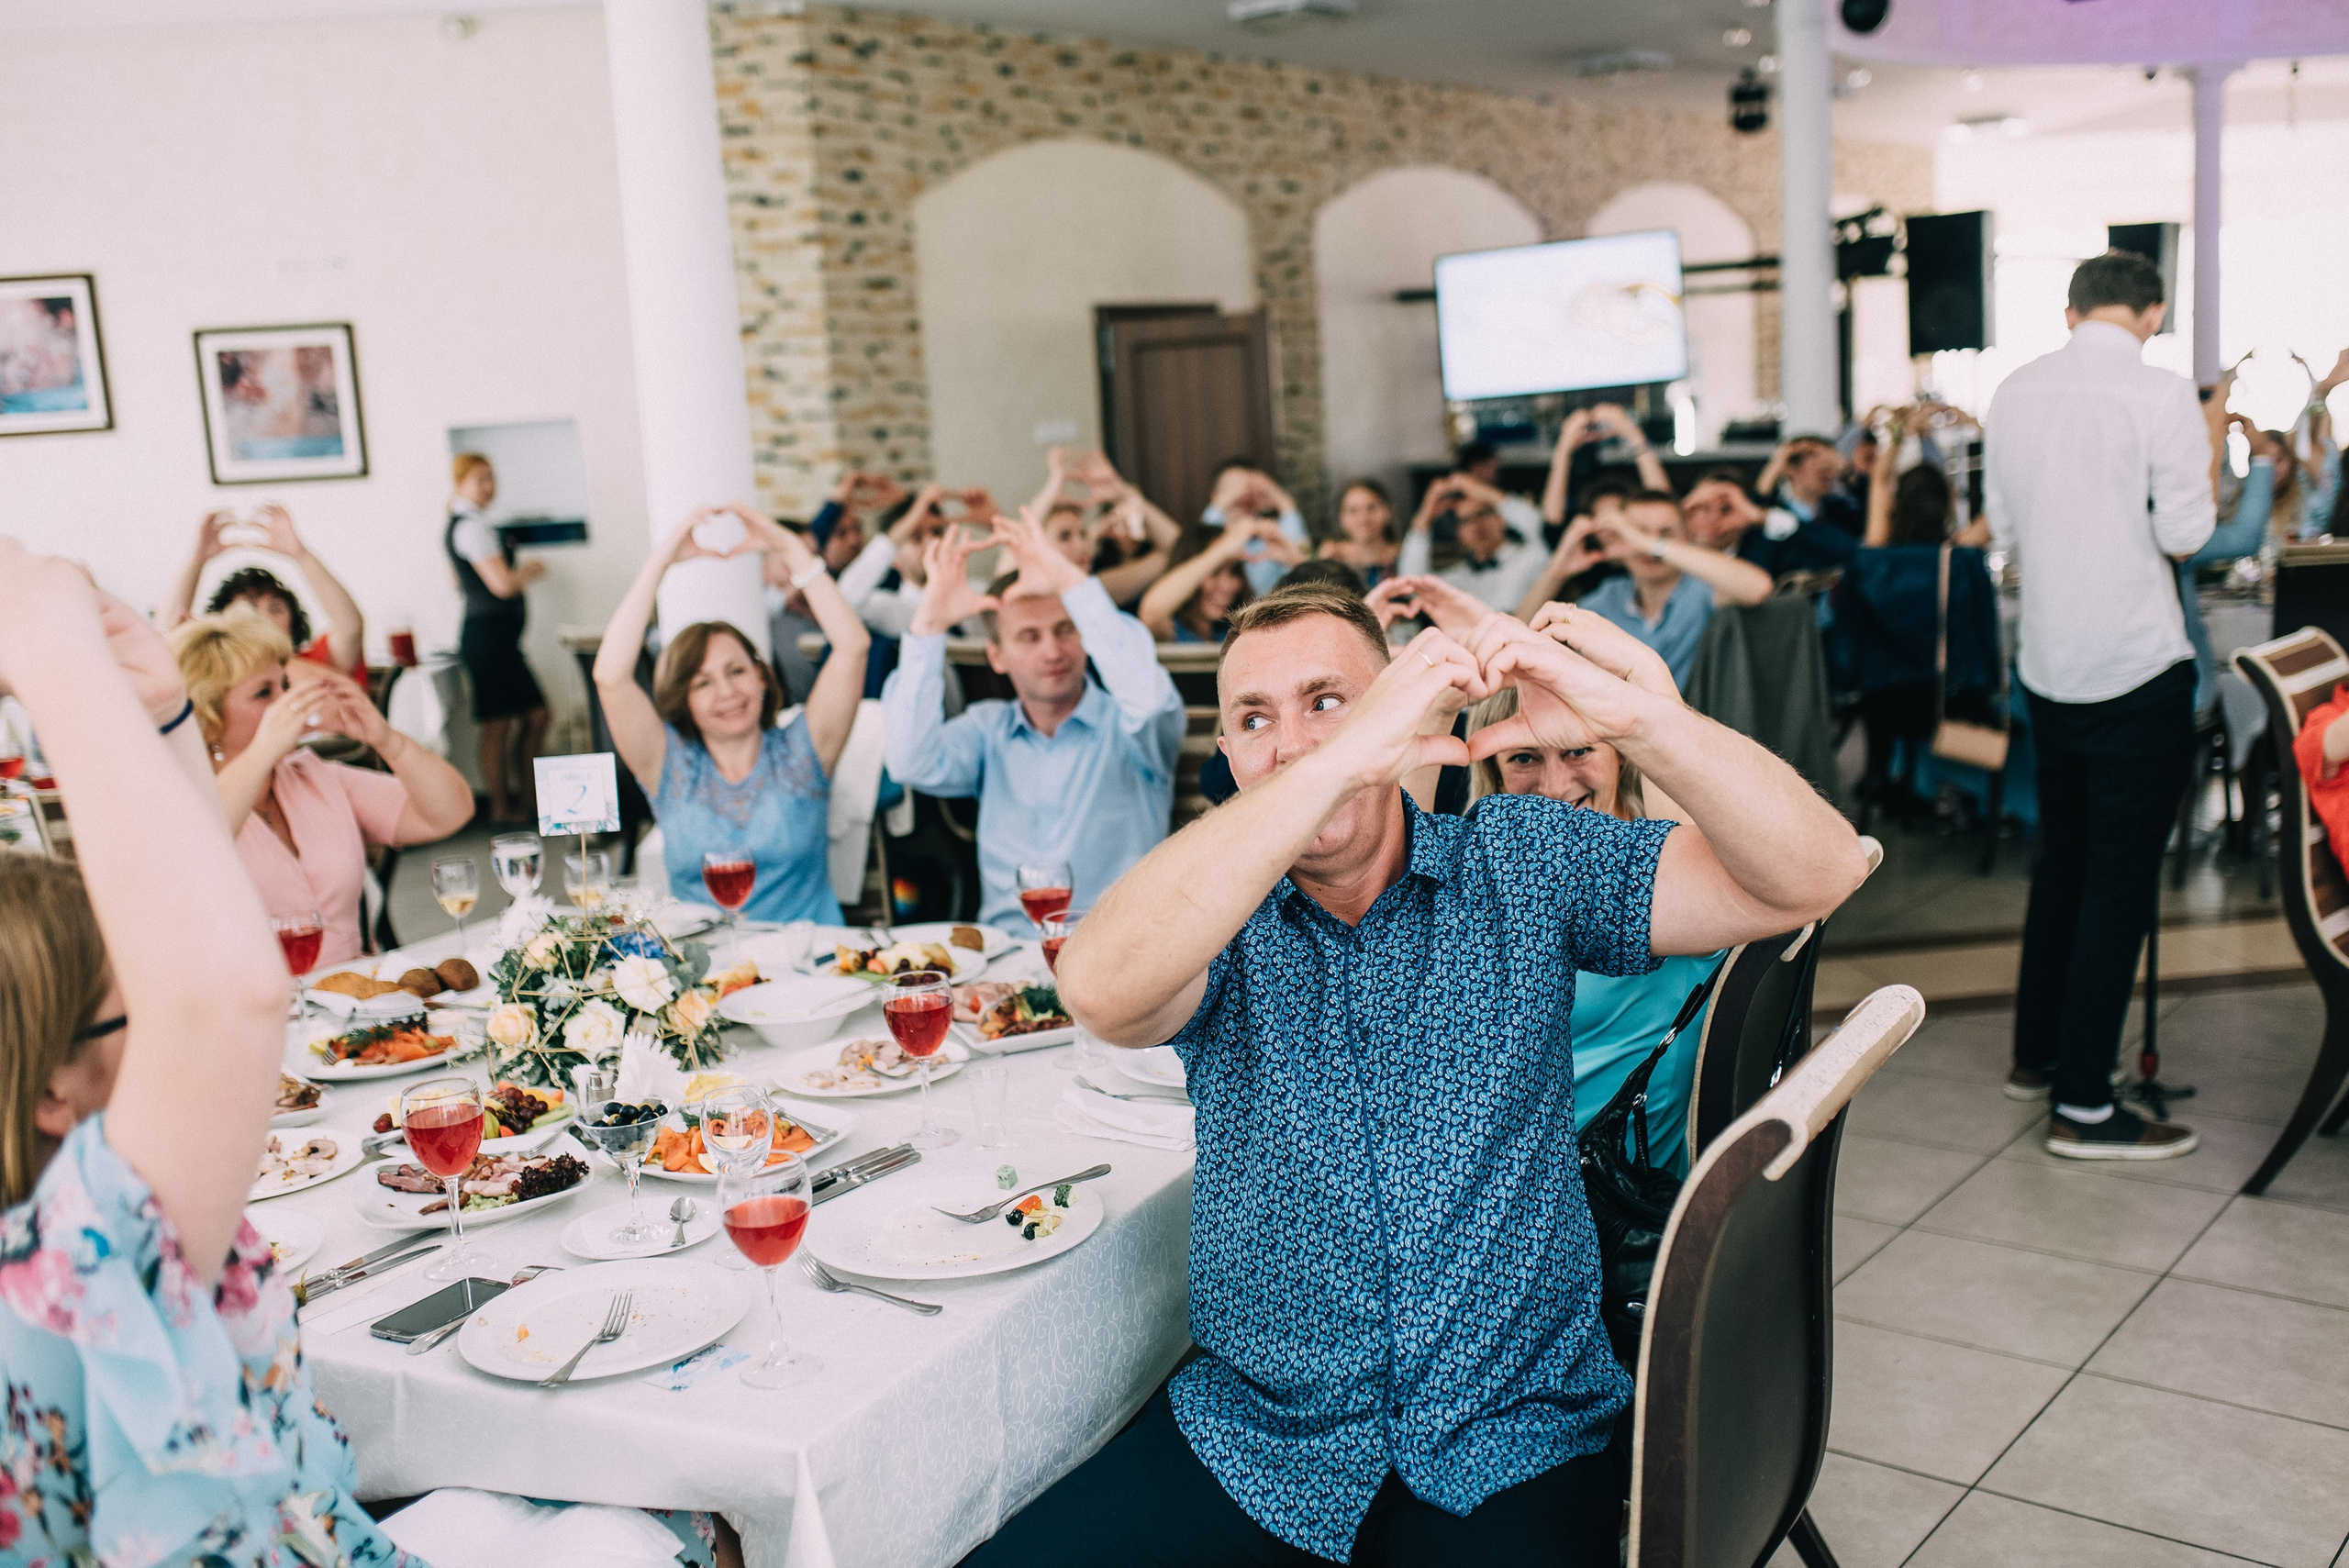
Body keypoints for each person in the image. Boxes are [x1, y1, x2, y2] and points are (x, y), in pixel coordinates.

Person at [980, 584, 1865, 1567]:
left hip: (1514, 1433)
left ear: (1406, 717)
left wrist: (1629, 715)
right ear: (1228, 757)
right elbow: (1098, 992)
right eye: (1253, 719)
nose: (1295, 740)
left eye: (1330, 702)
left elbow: (1817, 869)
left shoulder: (1519, 858)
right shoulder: (1213, 912)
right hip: (1265, 1439)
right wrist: (1333, 765)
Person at [0, 540, 416, 1562]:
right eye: (135, 1003)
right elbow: (226, 993)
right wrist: (49, 649)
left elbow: (206, 913)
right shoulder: (70, 1257)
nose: (162, 1018)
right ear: (53, 1084)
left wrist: (165, 717)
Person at [1988, 249, 2215, 1159]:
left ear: (2071, 308)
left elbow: (2002, 536)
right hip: (2132, 664)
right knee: (2119, 881)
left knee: (2063, 862)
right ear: (2150, 312)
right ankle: (2084, 1104)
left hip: (2047, 663)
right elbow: (2187, 532)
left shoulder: (2011, 390)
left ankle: (2037, 1055)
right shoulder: (2161, 395)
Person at [1462, 616, 1719, 1177]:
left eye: (1578, 751)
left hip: (1571, 1190)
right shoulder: (1488, 869)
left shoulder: (1663, 876)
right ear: (1493, 772)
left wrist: (1646, 677)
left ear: (1623, 751)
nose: (1556, 788)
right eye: (1524, 758)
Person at [882, 510, 1185, 933]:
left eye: (1066, 629)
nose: (1053, 651)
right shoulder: (987, 729)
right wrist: (929, 626)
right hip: (1007, 956)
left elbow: (1151, 702)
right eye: (1029, 636)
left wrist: (1072, 585)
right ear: (996, 657)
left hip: (1118, 954)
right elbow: (908, 762)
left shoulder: (1133, 727)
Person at [596, 505, 870, 926]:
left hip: (811, 968)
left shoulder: (805, 748)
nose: (727, 692)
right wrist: (660, 563)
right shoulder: (668, 763)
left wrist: (790, 549)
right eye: (702, 683)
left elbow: (852, 646)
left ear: (761, 677)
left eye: (737, 671)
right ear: (683, 699)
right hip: (708, 974)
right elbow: (611, 677)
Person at [171, 610, 475, 967]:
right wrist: (262, 750)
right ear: (209, 714)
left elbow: (450, 813)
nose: (288, 702)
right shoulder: (183, 799)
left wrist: (387, 741)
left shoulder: (314, 776)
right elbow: (200, 850)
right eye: (263, 693)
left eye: (285, 686)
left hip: (356, 995)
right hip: (255, 1014)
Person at [1574, 490, 1773, 691]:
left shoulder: (1701, 589)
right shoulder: (1610, 596)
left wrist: (1649, 543)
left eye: (1666, 533)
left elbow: (1758, 588)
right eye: (1639, 532)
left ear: (1686, 537)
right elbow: (1543, 634)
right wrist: (1557, 572)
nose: (1648, 549)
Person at [447, 451, 549, 826]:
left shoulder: (471, 524)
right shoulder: (470, 527)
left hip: (499, 641)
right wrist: (528, 572)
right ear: (460, 484)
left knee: (535, 716)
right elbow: (502, 585)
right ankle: (504, 809)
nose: (489, 486)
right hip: (489, 640)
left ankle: (525, 802)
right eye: (480, 479)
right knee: (500, 724)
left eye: (492, 478)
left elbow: (457, 580)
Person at [160, 504, 367, 679]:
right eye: (249, 607)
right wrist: (195, 562)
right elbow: (167, 632)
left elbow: (350, 627)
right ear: (222, 621)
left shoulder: (317, 664)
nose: (264, 616)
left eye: (276, 608)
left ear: (292, 624)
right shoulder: (213, 671)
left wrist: (301, 555)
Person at [1396, 471, 1550, 614]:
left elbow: (1543, 530)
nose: (1476, 526)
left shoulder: (1533, 557)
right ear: (1458, 533)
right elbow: (1412, 585)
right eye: (1465, 521)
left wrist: (1486, 492)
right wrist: (1425, 514)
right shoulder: (1454, 580)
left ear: (1501, 518)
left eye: (1482, 514)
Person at [1139, 519, 1300, 642]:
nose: (1227, 586)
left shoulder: (1235, 630)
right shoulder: (1173, 630)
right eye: (1214, 572)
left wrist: (1294, 559)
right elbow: (1152, 612)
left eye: (1234, 572)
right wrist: (1225, 547)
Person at [1682, 468, 1859, 578]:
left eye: (1727, 509)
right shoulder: (1673, 546)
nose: (1714, 517)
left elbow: (1847, 551)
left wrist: (1759, 516)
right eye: (1702, 508)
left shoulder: (1765, 550)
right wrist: (1681, 514)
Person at [1539, 405, 1671, 540]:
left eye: (1619, 517)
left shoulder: (1646, 548)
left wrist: (1632, 432)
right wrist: (1564, 448)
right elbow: (1553, 521)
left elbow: (1665, 508)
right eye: (1605, 519)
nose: (1613, 525)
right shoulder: (1590, 553)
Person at [1201, 461, 1313, 597]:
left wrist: (1279, 497)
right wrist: (1227, 499)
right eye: (1233, 487)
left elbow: (1305, 556)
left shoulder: (1271, 535)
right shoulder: (1211, 529)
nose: (1243, 494)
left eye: (1250, 488)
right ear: (1216, 496)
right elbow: (1202, 535)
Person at [1753, 431, 1865, 539]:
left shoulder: (1840, 512)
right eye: (1819, 469)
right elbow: (1757, 507)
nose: (1828, 472)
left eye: (1830, 466)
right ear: (1790, 468)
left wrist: (1841, 465)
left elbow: (1869, 510)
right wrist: (1779, 460)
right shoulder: (1776, 515)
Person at [1319, 479, 1402, 587]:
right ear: (1341, 517)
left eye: (1371, 508)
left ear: (1388, 510)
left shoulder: (1404, 555)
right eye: (1353, 511)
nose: (1363, 519)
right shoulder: (1332, 558)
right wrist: (1321, 566)